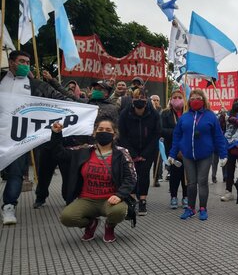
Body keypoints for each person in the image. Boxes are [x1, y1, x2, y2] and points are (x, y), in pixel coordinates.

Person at [0, 51, 74, 225]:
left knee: (16, 174)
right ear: (11, 62)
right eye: (21, 61)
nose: (26, 65)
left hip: (19, 140)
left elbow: (60, 100)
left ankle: (9, 206)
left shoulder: (36, 85)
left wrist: (82, 106)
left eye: (28, 62)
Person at [52, 119, 136, 243]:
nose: (104, 132)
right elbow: (60, 153)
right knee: (67, 218)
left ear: (114, 134)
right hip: (87, 199)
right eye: (100, 129)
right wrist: (56, 134)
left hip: (110, 199)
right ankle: (91, 223)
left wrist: (120, 195)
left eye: (108, 130)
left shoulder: (121, 153)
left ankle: (110, 226)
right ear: (94, 133)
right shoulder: (84, 150)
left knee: (118, 212)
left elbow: (131, 178)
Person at [169, 89, 227, 221]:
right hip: (188, 155)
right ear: (189, 101)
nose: (195, 100)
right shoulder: (184, 117)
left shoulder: (210, 116)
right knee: (191, 183)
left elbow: (218, 136)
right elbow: (177, 136)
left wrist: (223, 154)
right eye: (192, 98)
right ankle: (190, 208)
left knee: (202, 182)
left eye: (198, 98)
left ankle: (203, 208)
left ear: (203, 100)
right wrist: (172, 153)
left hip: (205, 155)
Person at [119, 88, 161, 216]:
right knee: (131, 175)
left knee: (143, 174)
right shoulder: (125, 114)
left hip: (148, 151)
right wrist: (133, 154)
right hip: (130, 150)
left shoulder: (154, 114)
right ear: (132, 99)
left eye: (142, 97)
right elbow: (123, 135)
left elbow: (156, 134)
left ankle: (142, 200)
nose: (139, 100)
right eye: (136, 97)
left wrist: (144, 154)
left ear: (146, 99)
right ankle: (131, 200)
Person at [161, 90, 188, 209]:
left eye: (179, 97)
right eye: (175, 97)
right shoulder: (165, 113)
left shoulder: (188, 113)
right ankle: (173, 197)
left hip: (187, 150)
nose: (177, 99)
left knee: (186, 174)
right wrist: (177, 132)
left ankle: (186, 197)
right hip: (172, 149)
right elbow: (161, 130)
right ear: (171, 100)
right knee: (175, 174)